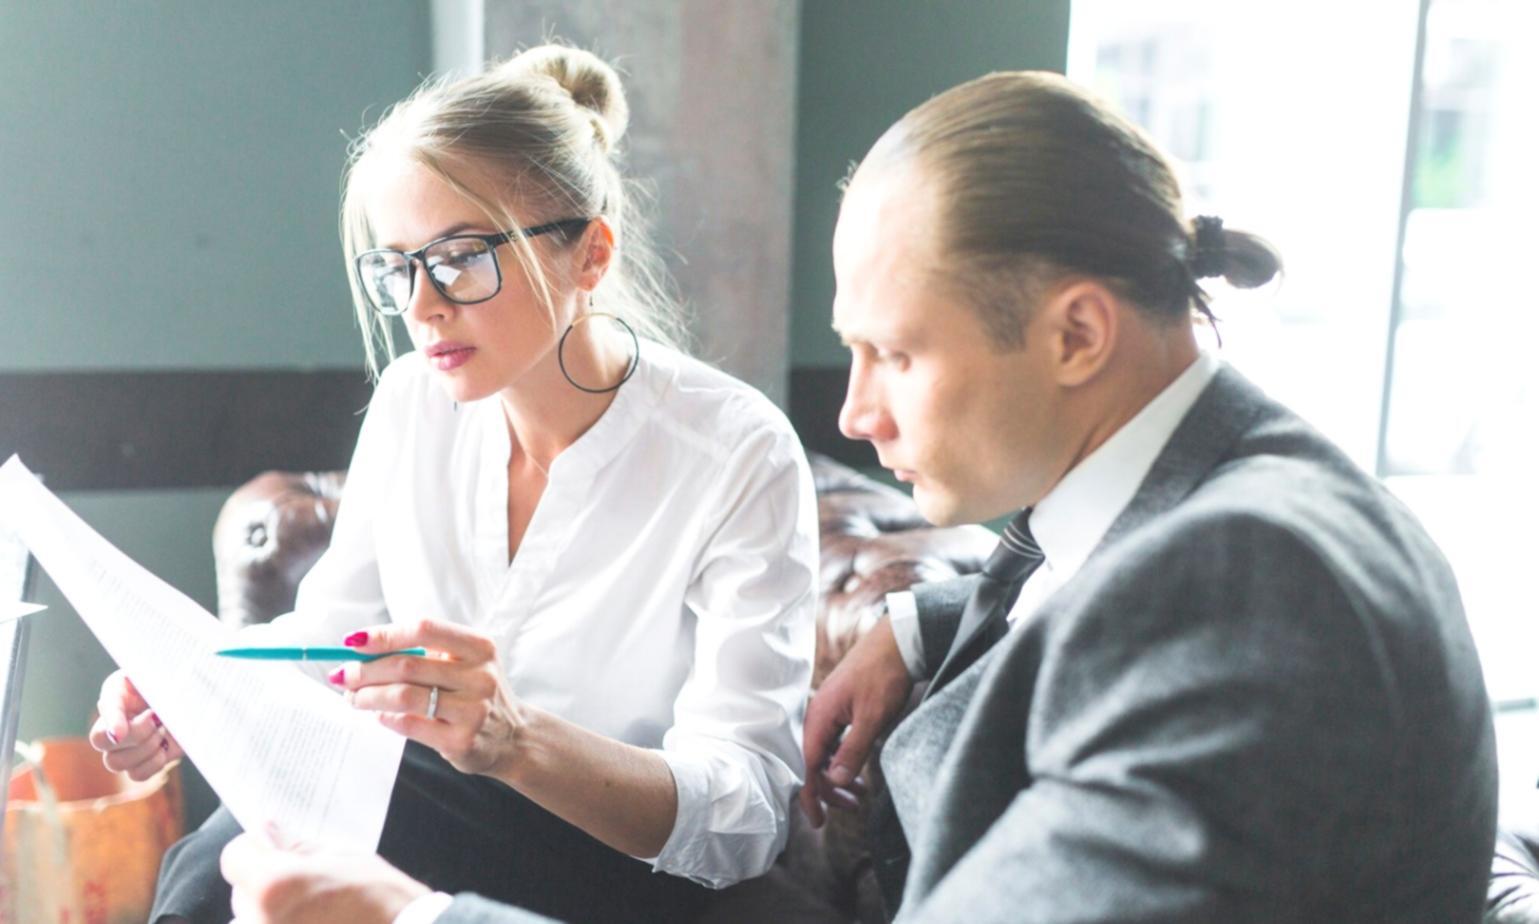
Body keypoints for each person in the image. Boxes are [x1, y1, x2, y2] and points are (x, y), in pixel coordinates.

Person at [217, 69, 1499, 924]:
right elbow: (1062, 582)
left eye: (894, 353)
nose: (854, 413)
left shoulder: (1246, 593)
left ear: (1076, 334)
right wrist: (916, 622)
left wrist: (420, 921)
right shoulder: (1196, 500)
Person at [88, 44, 817, 924]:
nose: (423, 306)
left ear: (588, 255)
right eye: (396, 267)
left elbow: (744, 818)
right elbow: (329, 644)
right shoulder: (412, 403)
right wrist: (194, 692)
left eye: (461, 257)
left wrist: (515, 742)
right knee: (245, 851)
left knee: (302, 834)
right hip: (428, 822)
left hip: (623, 876)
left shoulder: (735, 451)